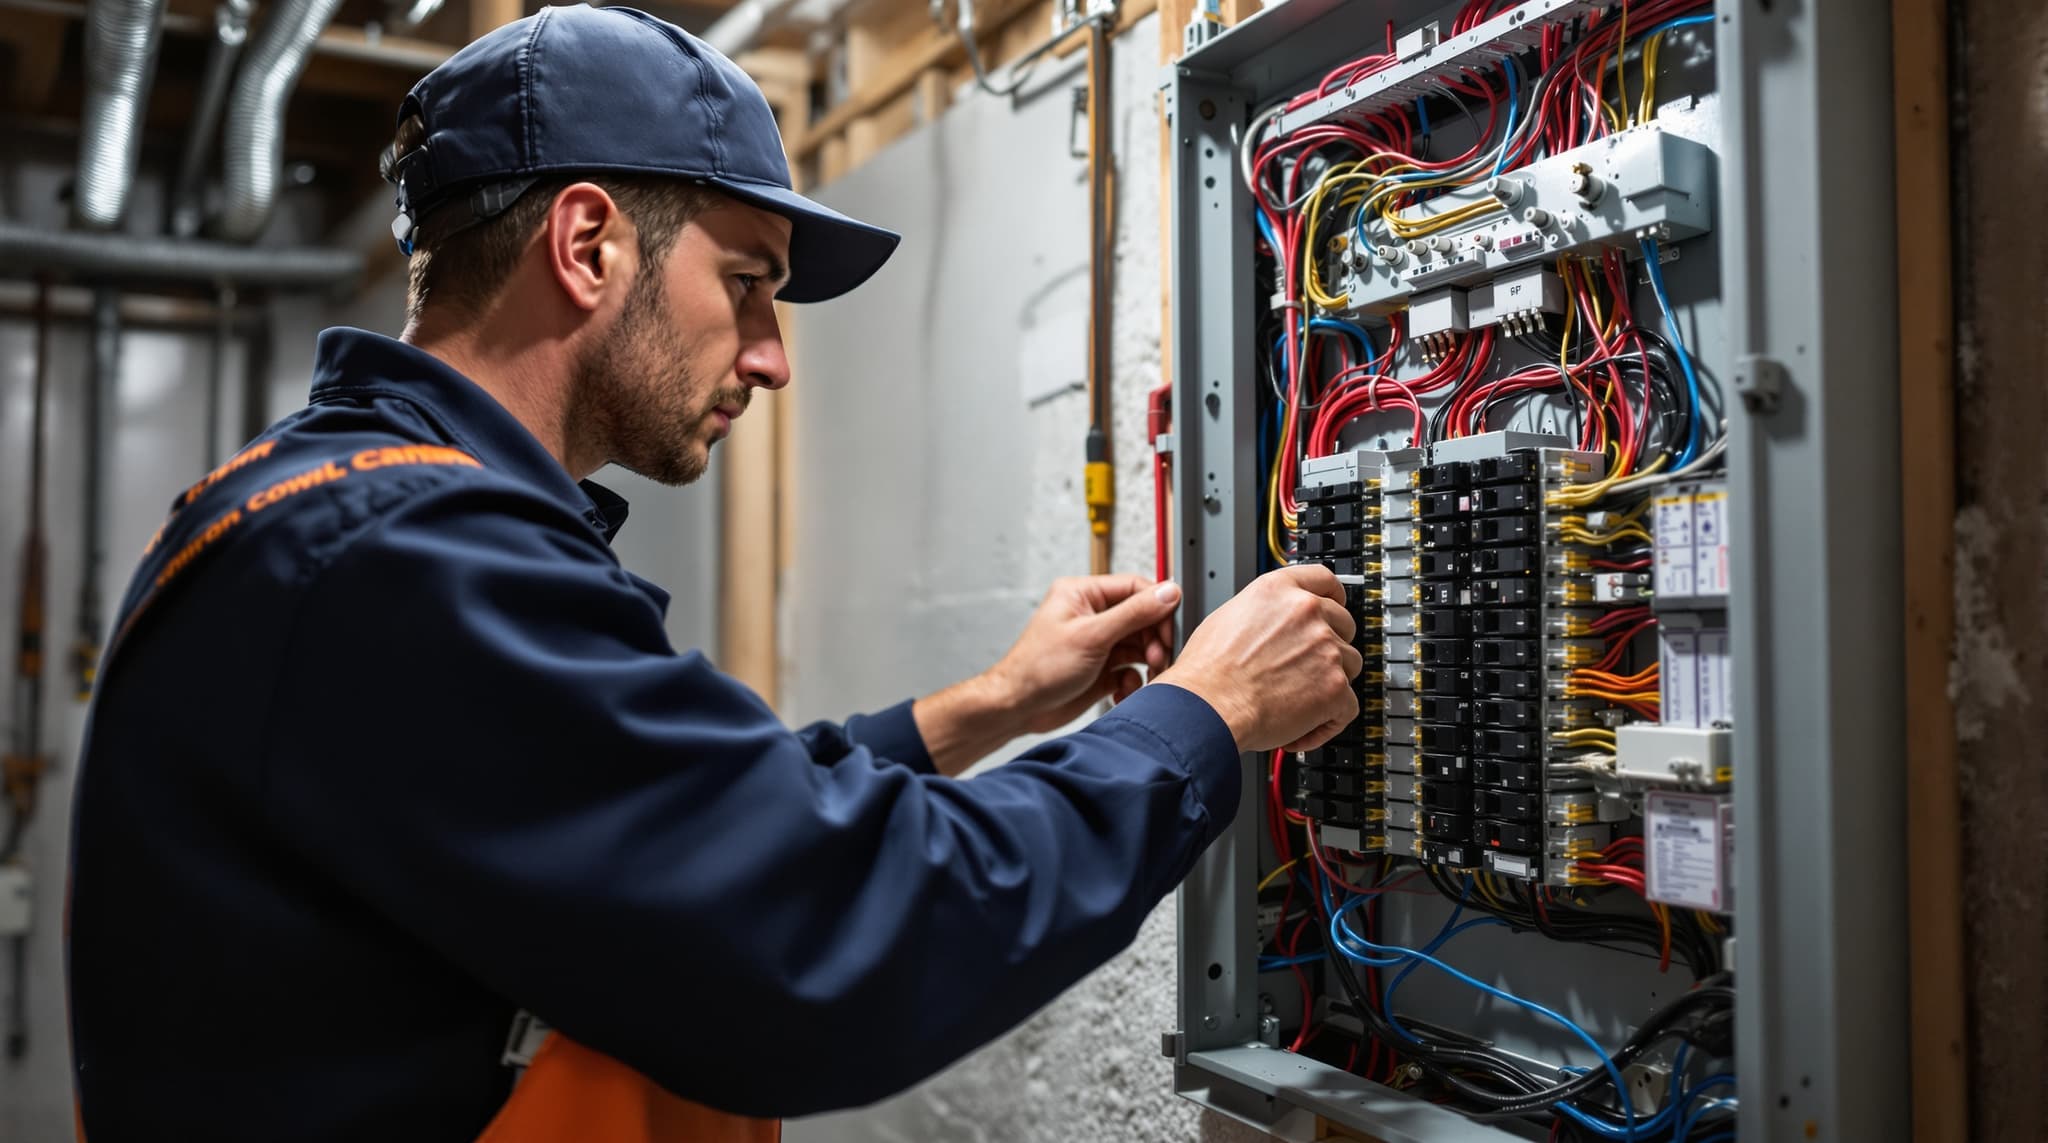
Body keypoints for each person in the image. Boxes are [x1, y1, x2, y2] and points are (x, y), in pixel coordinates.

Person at [65, 6, 1362, 1141]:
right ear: (587, 247)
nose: (771, 356)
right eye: (747, 284)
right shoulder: (402, 561)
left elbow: (677, 828)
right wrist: (1204, 717)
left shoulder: (336, 514)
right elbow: (826, 938)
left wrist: (997, 706)